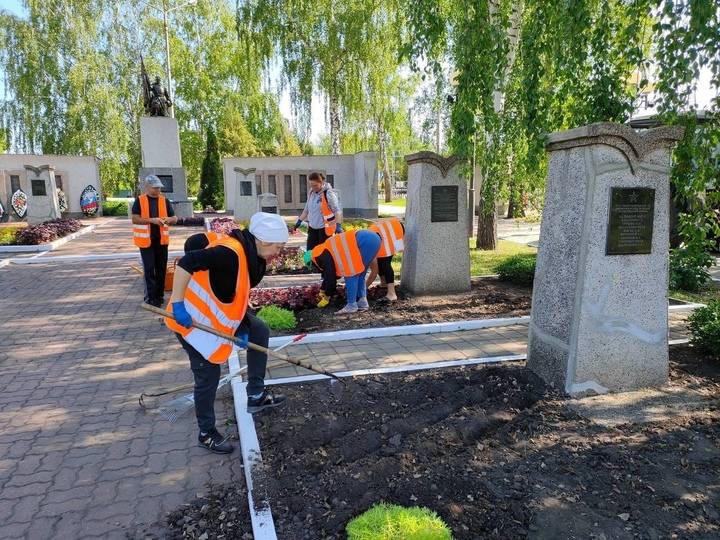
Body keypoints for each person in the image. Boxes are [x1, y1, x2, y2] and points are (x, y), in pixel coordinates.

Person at [166, 212, 289, 454]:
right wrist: (178, 304)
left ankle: (255, 394)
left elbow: (237, 293)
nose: (279, 252)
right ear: (262, 240)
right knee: (208, 374)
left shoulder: (253, 258)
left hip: (212, 319)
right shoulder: (230, 253)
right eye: (278, 246)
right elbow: (186, 263)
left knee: (259, 329)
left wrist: (243, 326)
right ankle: (206, 433)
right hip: (190, 320)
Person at [304, 229, 381, 314]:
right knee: (360, 273)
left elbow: (330, 277)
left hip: (364, 240)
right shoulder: (322, 250)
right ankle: (362, 302)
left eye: (312, 266)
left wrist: (327, 296)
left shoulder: (320, 256)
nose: (315, 269)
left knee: (351, 274)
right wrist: (322, 289)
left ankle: (351, 305)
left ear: (311, 261)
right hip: (372, 238)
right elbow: (329, 273)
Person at [132, 175, 178, 307]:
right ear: (147, 187)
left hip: (162, 241)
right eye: (155, 187)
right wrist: (151, 220)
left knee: (161, 269)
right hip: (146, 241)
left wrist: (170, 220)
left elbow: (174, 217)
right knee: (149, 268)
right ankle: (150, 298)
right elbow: (135, 219)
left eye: (159, 187)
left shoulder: (165, 201)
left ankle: (159, 296)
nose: (158, 190)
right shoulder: (139, 201)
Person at [291, 172, 343, 251]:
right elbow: (306, 210)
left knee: (322, 253)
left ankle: (321, 264)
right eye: (311, 185)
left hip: (324, 229)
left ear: (321, 183)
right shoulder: (311, 192)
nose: (313, 187)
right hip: (312, 227)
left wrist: (338, 226)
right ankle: (310, 264)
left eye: (315, 185)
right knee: (310, 251)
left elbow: (337, 211)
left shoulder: (328, 194)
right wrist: (299, 221)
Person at [366, 217, 405, 303]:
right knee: (380, 261)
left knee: (384, 263)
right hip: (387, 231)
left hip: (393, 231)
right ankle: (384, 283)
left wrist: (363, 288)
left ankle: (392, 294)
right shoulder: (364, 245)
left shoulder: (366, 248)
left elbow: (374, 271)